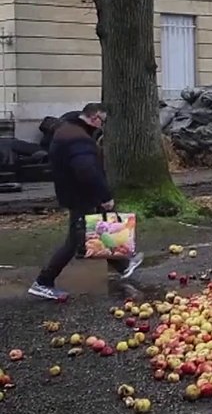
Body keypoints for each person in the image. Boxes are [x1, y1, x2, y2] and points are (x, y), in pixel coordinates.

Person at [30, 103, 143, 300]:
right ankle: (43, 282)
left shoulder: (67, 129)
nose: (102, 126)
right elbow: (87, 171)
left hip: (74, 192)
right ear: (94, 117)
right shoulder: (79, 139)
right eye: (102, 121)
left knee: (97, 229)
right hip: (79, 194)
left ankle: (124, 264)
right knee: (75, 240)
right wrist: (105, 196)